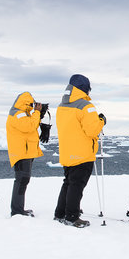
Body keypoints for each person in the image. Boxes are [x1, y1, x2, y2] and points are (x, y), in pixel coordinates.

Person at [54, 74, 105, 228]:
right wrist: (101, 120)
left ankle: (60, 213)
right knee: (77, 185)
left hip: (67, 152)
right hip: (82, 153)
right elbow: (92, 130)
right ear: (85, 89)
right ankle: (72, 216)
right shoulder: (86, 106)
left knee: (68, 183)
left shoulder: (62, 106)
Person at [6, 92, 46, 217]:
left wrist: (38, 115)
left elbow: (30, 127)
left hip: (25, 152)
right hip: (22, 153)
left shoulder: (24, 114)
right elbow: (29, 127)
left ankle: (18, 209)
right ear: (26, 103)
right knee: (21, 180)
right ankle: (17, 211)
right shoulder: (18, 114)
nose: (34, 106)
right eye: (32, 104)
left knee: (23, 180)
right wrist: (37, 113)